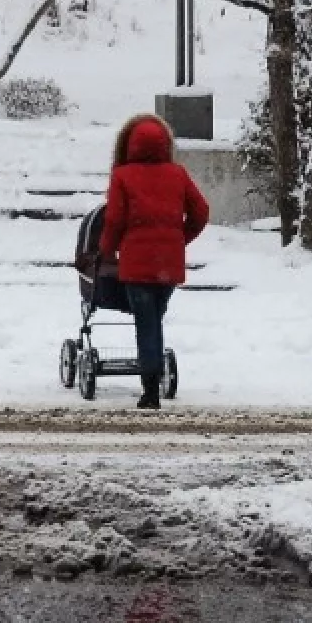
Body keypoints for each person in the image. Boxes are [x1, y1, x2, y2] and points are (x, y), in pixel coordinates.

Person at [100, 113, 210, 409]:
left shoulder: (123, 176)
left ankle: (150, 389)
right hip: (167, 266)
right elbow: (201, 212)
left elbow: (113, 220)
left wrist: (106, 251)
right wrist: (179, 239)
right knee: (154, 319)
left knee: (146, 322)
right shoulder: (178, 174)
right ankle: (154, 374)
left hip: (136, 264)